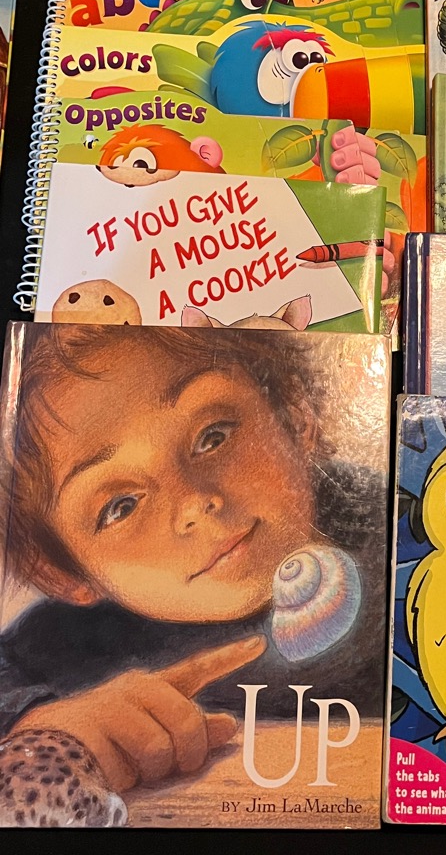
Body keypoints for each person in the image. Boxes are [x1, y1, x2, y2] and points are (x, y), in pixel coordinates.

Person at [0, 323, 387, 793]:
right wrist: (40, 730)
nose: (193, 503)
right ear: (62, 574)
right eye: (121, 506)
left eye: (212, 437)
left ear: (293, 412)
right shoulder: (63, 643)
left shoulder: (394, 526)